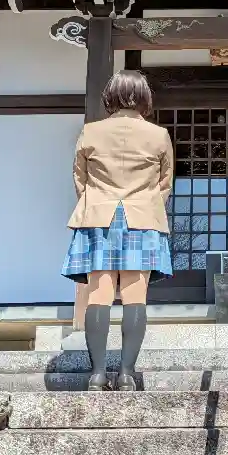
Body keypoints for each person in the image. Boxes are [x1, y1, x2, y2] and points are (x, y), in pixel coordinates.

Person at [62, 71, 174, 389]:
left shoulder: (91, 131)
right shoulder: (159, 135)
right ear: (144, 97)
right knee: (135, 296)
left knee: (99, 294)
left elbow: (80, 178)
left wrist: (96, 202)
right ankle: (126, 374)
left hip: (98, 216)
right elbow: (164, 182)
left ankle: (97, 374)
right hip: (142, 217)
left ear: (110, 96)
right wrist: (147, 203)